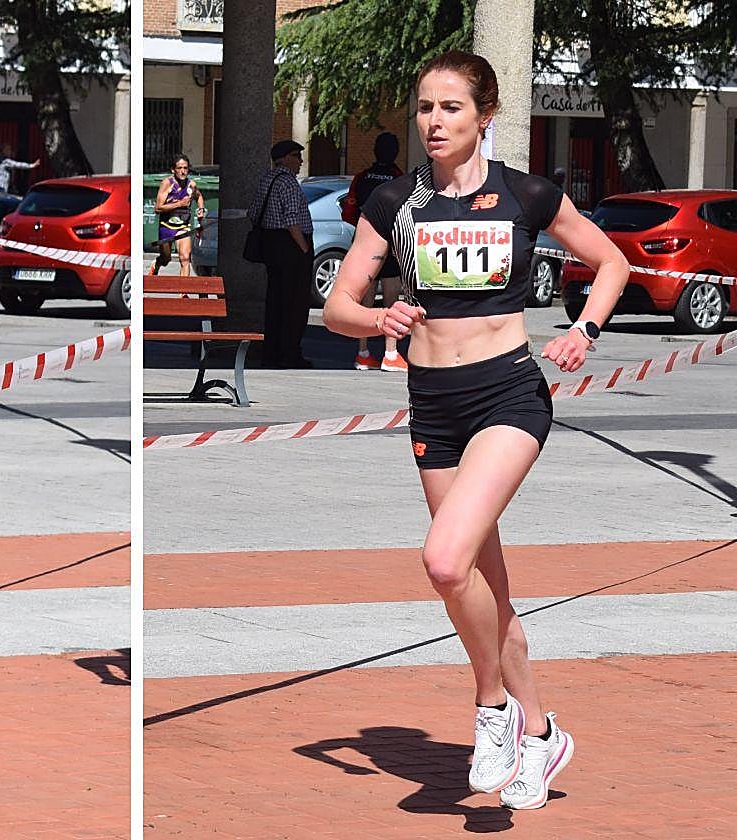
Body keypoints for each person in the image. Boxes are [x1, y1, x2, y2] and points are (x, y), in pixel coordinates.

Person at [323, 51, 628, 810]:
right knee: (485, 586)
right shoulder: (396, 201)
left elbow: (611, 262)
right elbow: (336, 307)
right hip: (435, 406)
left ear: (484, 116)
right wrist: (377, 318)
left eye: (451, 107)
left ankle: (493, 707)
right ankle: (541, 734)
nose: (434, 121)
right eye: (425, 107)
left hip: (508, 397)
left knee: (442, 560)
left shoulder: (526, 193)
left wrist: (584, 331)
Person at [342, 132, 407, 372]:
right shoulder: (399, 178)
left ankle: (363, 353)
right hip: (390, 245)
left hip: (364, 243)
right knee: (391, 301)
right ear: (395, 153)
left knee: (365, 301)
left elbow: (348, 212)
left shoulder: (361, 177)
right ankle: (390, 353)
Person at [248, 139, 314, 368]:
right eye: (296, 156)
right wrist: (304, 249)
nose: (300, 161)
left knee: (275, 300)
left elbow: (253, 212)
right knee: (295, 302)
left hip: (271, 244)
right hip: (291, 245)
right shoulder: (288, 182)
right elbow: (291, 220)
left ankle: (272, 351)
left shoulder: (267, 179)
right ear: (285, 158)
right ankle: (290, 353)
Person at [151, 154, 205, 276]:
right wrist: (179, 204)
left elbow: (199, 196)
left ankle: (184, 288)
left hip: (183, 226)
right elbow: (158, 208)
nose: (183, 171)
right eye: (179, 168)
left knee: (185, 258)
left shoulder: (191, 185)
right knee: (166, 259)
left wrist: (201, 209)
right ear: (173, 170)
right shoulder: (167, 183)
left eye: (185, 168)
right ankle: (157, 263)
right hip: (166, 226)